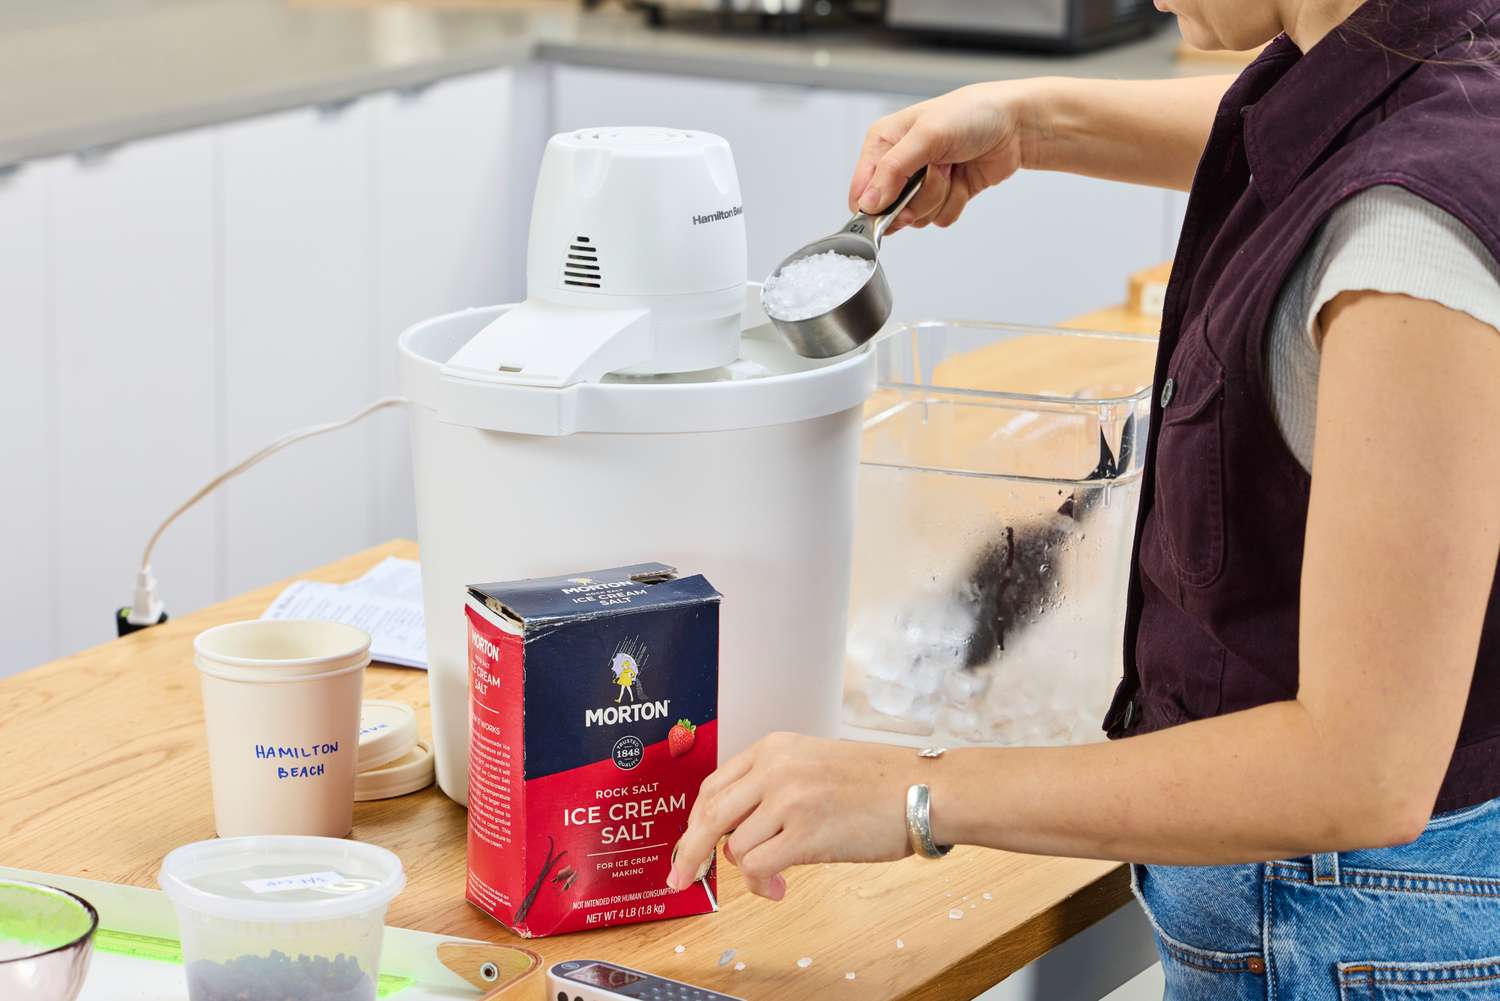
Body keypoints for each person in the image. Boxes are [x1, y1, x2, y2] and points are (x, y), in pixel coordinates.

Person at [667, 1, 1500, 996]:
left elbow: (1360, 769)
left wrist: (914, 789)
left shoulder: (1407, 244)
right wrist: (1031, 122)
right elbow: (1326, 132)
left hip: (1359, 932)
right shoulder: (1432, 58)